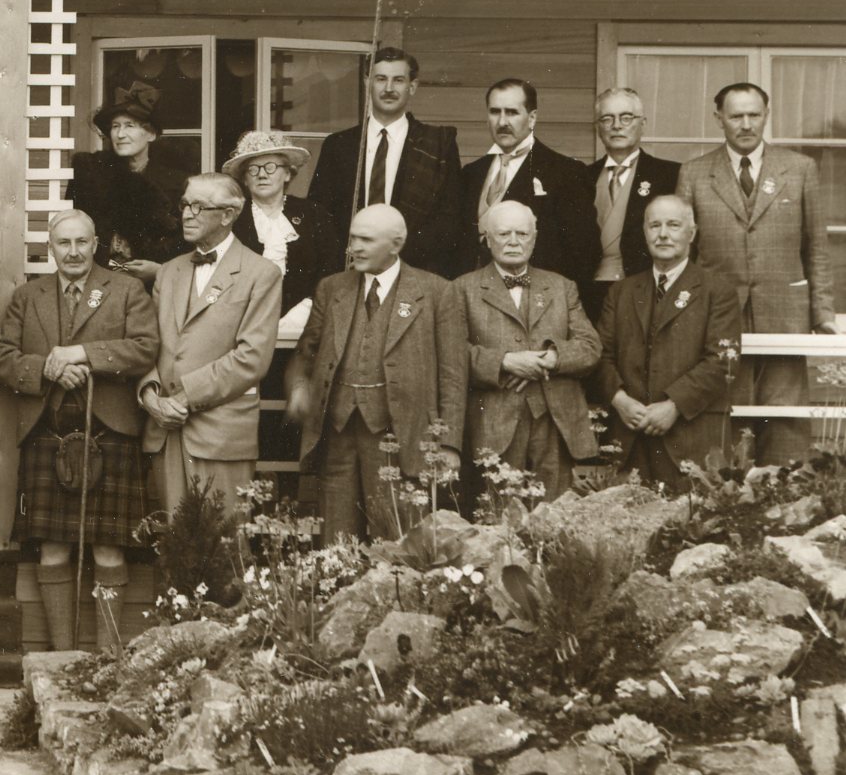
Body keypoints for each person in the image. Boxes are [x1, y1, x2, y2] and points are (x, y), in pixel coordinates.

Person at [0, 210, 158, 650]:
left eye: (82, 242)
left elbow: (145, 348)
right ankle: (61, 658)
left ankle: (109, 657)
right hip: (48, 436)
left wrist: (80, 354)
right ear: (51, 248)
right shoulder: (29, 295)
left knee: (108, 550)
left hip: (110, 434)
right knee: (53, 549)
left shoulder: (126, 290)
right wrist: (48, 367)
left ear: (96, 242)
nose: (74, 252)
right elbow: (2, 356)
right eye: (64, 243)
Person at [678, 81, 839, 465]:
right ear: (719, 119)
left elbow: (816, 247)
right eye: (736, 116)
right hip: (720, 313)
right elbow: (687, 254)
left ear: (766, 115)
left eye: (754, 114)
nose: (746, 124)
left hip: (785, 311)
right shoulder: (695, 173)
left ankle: (788, 499)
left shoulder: (800, 169)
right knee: (726, 409)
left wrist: (824, 315)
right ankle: (727, 502)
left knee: (784, 415)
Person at [287, 204, 465, 541]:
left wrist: (450, 443)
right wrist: (299, 387)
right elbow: (306, 352)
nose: (354, 247)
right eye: (353, 238)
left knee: (399, 539)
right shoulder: (332, 288)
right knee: (336, 541)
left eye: (366, 240)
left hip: (402, 436)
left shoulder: (437, 292)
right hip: (337, 431)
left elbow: (453, 374)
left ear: (396, 244)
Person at [139, 174, 283, 514]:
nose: (187, 214)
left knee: (224, 548)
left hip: (220, 434)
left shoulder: (261, 273)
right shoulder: (168, 272)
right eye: (185, 204)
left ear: (228, 215)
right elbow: (148, 343)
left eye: (199, 206)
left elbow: (252, 358)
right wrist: (149, 396)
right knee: (174, 548)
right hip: (165, 428)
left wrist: (183, 397)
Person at [456, 200, 602, 502]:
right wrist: (505, 361)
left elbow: (590, 347)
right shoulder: (462, 289)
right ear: (487, 239)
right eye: (503, 234)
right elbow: (451, 354)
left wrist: (549, 359)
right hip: (495, 424)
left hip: (557, 423)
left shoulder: (561, 287)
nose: (513, 241)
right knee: (497, 520)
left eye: (522, 234)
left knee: (555, 517)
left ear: (534, 239)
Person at [595, 195, 743, 490]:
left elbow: (721, 360)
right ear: (645, 232)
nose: (663, 234)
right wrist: (620, 401)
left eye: (673, 225)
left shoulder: (718, 291)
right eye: (655, 225)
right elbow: (599, 355)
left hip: (690, 439)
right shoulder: (621, 292)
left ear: (692, 232)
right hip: (629, 441)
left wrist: (673, 405)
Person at [307, 46, 466, 279]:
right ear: (367, 82)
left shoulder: (439, 144)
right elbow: (320, 214)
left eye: (398, 80)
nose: (389, 88)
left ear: (412, 86)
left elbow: (449, 219)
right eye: (381, 79)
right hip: (348, 271)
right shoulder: (338, 145)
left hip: (414, 271)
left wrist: (391, 257)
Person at [459, 78, 596, 286]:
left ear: (532, 118)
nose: (502, 122)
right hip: (472, 297)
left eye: (512, 112)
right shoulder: (471, 173)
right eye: (495, 112)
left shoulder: (566, 172)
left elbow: (583, 253)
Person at [582, 86, 682, 324]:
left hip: (648, 290)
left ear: (642, 123)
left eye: (626, 117)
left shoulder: (669, 175)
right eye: (607, 118)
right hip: (588, 294)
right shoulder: (581, 177)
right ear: (598, 127)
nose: (616, 125)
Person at [68, 86, 184, 285]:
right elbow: (74, 228)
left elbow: (182, 242)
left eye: (130, 125)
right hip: (98, 281)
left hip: (153, 285)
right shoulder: (90, 175)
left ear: (151, 134)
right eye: (115, 126)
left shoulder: (173, 184)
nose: (120, 134)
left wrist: (160, 271)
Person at [224, 129, 341, 319]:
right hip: (241, 318)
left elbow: (330, 267)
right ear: (245, 179)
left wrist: (307, 309)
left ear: (287, 174)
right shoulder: (233, 216)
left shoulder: (313, 213)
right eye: (253, 169)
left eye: (270, 167)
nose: (262, 175)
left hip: (306, 318)